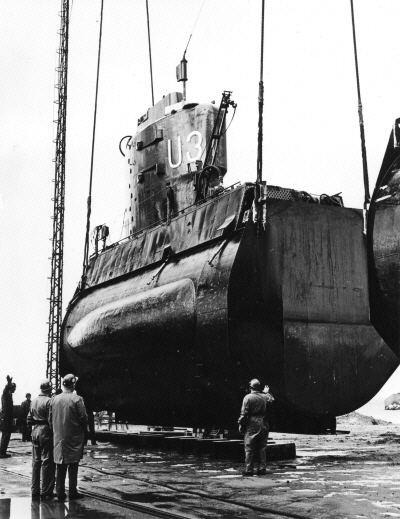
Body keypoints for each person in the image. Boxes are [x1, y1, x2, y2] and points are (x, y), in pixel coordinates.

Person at [51, 374, 88, 501]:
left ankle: (60, 492)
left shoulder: (54, 399)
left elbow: (50, 419)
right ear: (73, 384)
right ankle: (72, 491)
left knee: (60, 466)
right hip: (74, 438)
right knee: (73, 465)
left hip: (58, 437)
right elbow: (83, 418)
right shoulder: (77, 399)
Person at [238, 379, 273, 476]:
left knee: (249, 448)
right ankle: (262, 469)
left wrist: (241, 424)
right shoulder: (264, 396)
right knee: (262, 447)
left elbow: (243, 414)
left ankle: (249, 469)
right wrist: (266, 392)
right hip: (263, 422)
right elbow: (271, 400)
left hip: (252, 423)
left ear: (250, 387)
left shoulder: (248, 397)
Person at [27, 380, 55, 500]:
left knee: (36, 462)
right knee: (47, 461)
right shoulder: (49, 401)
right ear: (49, 390)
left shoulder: (33, 401)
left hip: (35, 430)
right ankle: (46, 490)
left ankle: (35, 490)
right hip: (45, 430)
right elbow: (51, 419)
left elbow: (29, 418)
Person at [0, 376, 16, 458]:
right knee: (6, 434)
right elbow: (5, 389)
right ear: (11, 388)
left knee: (6, 434)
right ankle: (2, 452)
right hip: (6, 418)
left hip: (7, 418)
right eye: (14, 388)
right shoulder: (6, 394)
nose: (15, 390)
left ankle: (3, 451)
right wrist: (8, 383)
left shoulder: (8, 395)